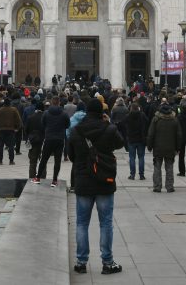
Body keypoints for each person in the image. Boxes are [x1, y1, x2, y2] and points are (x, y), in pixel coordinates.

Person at [67, 97, 125, 275]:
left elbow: (71, 156)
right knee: (106, 223)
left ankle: (81, 261)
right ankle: (107, 262)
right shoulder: (108, 128)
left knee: (82, 223)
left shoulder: (76, 131)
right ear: (101, 112)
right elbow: (121, 143)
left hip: (83, 181)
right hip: (104, 180)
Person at [146, 100, 181, 193]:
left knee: (157, 167)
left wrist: (149, 146)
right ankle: (169, 186)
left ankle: (157, 186)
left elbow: (151, 134)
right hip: (170, 148)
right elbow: (179, 135)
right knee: (169, 167)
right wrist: (178, 148)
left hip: (158, 148)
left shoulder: (156, 119)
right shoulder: (174, 120)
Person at [0, 98, 22, 165]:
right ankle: (11, 161)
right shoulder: (14, 110)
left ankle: (0, 160)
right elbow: (18, 120)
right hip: (11, 130)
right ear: (10, 103)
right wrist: (17, 128)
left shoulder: (0, 110)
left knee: (1, 145)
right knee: (11, 146)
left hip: (2, 130)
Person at [124, 101, 148, 181]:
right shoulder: (142, 115)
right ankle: (141, 175)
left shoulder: (128, 116)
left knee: (132, 157)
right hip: (141, 139)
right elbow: (147, 123)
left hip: (131, 139)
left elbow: (123, 125)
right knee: (141, 157)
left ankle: (132, 175)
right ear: (138, 108)